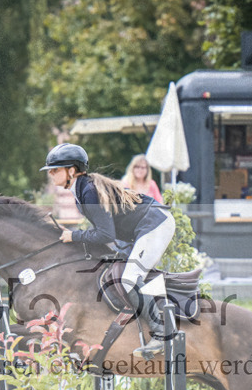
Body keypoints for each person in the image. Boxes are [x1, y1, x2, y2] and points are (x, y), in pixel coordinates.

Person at [42, 143, 176, 358]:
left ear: (72, 171)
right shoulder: (82, 190)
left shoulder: (88, 190)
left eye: (55, 169)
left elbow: (106, 235)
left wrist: (74, 236)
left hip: (155, 224)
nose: (51, 174)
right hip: (140, 229)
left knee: (129, 278)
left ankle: (161, 334)